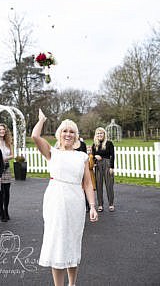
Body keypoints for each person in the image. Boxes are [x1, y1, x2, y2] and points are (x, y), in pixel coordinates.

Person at [31, 109, 98, 286]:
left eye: (72, 131)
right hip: (55, 200)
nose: (68, 134)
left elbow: (88, 184)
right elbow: (35, 136)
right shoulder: (51, 152)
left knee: (72, 242)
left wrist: (92, 206)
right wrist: (42, 120)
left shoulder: (82, 156)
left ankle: (72, 283)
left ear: (76, 135)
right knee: (57, 242)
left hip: (75, 201)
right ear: (59, 133)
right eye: (65, 130)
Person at [92, 127, 115, 212]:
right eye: (98, 133)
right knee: (99, 185)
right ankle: (100, 204)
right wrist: (95, 157)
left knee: (109, 185)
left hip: (107, 164)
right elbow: (92, 155)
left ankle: (111, 204)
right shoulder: (95, 144)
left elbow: (112, 155)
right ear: (96, 135)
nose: (99, 135)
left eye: (101, 133)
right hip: (98, 165)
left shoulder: (109, 143)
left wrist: (112, 167)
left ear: (104, 134)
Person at [0, 123, 13, 222]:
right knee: (0, 192)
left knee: (7, 192)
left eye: (3, 129)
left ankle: (6, 210)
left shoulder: (8, 142)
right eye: (0, 129)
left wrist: (5, 158)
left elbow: (12, 155)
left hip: (6, 168)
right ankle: (1, 211)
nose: (2, 131)